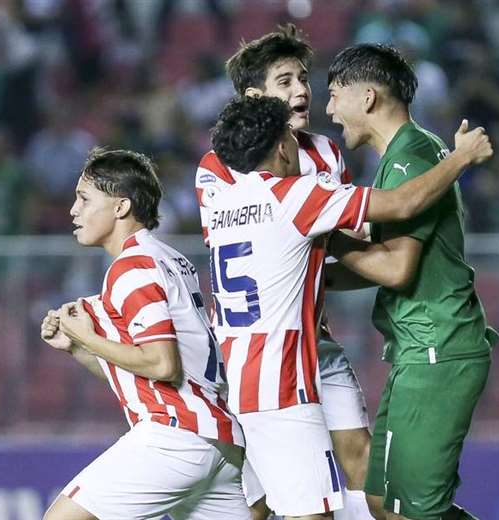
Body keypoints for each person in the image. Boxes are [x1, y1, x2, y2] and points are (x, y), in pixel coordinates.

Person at [205, 95, 491, 520]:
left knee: (273, 508)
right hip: (285, 385)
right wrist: (461, 158)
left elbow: (303, 274)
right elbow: (402, 204)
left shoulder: (222, 206)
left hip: (241, 381)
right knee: (312, 515)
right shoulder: (294, 196)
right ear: (282, 147)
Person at [194, 25, 373, 520]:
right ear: (256, 97)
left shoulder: (328, 152)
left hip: (316, 337)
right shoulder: (218, 165)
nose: (300, 91)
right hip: (258, 350)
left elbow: (342, 240)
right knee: (269, 495)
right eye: (284, 81)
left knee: (361, 455)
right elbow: (266, 239)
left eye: (303, 78)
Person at [324, 43, 499, 520]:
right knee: (382, 503)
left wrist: (325, 236)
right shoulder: (410, 155)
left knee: (413, 512)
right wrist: (320, 279)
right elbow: (392, 262)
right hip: (419, 349)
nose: (328, 109)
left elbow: (396, 268)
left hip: (437, 349)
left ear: (367, 98)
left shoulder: (411, 161)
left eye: (335, 94)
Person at [39, 148, 249, 520]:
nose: (73, 210)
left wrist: (86, 335)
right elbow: (141, 374)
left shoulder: (132, 266)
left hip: (175, 438)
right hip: (219, 443)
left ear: (121, 207)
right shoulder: (167, 258)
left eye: (84, 198)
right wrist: (78, 348)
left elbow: (163, 364)